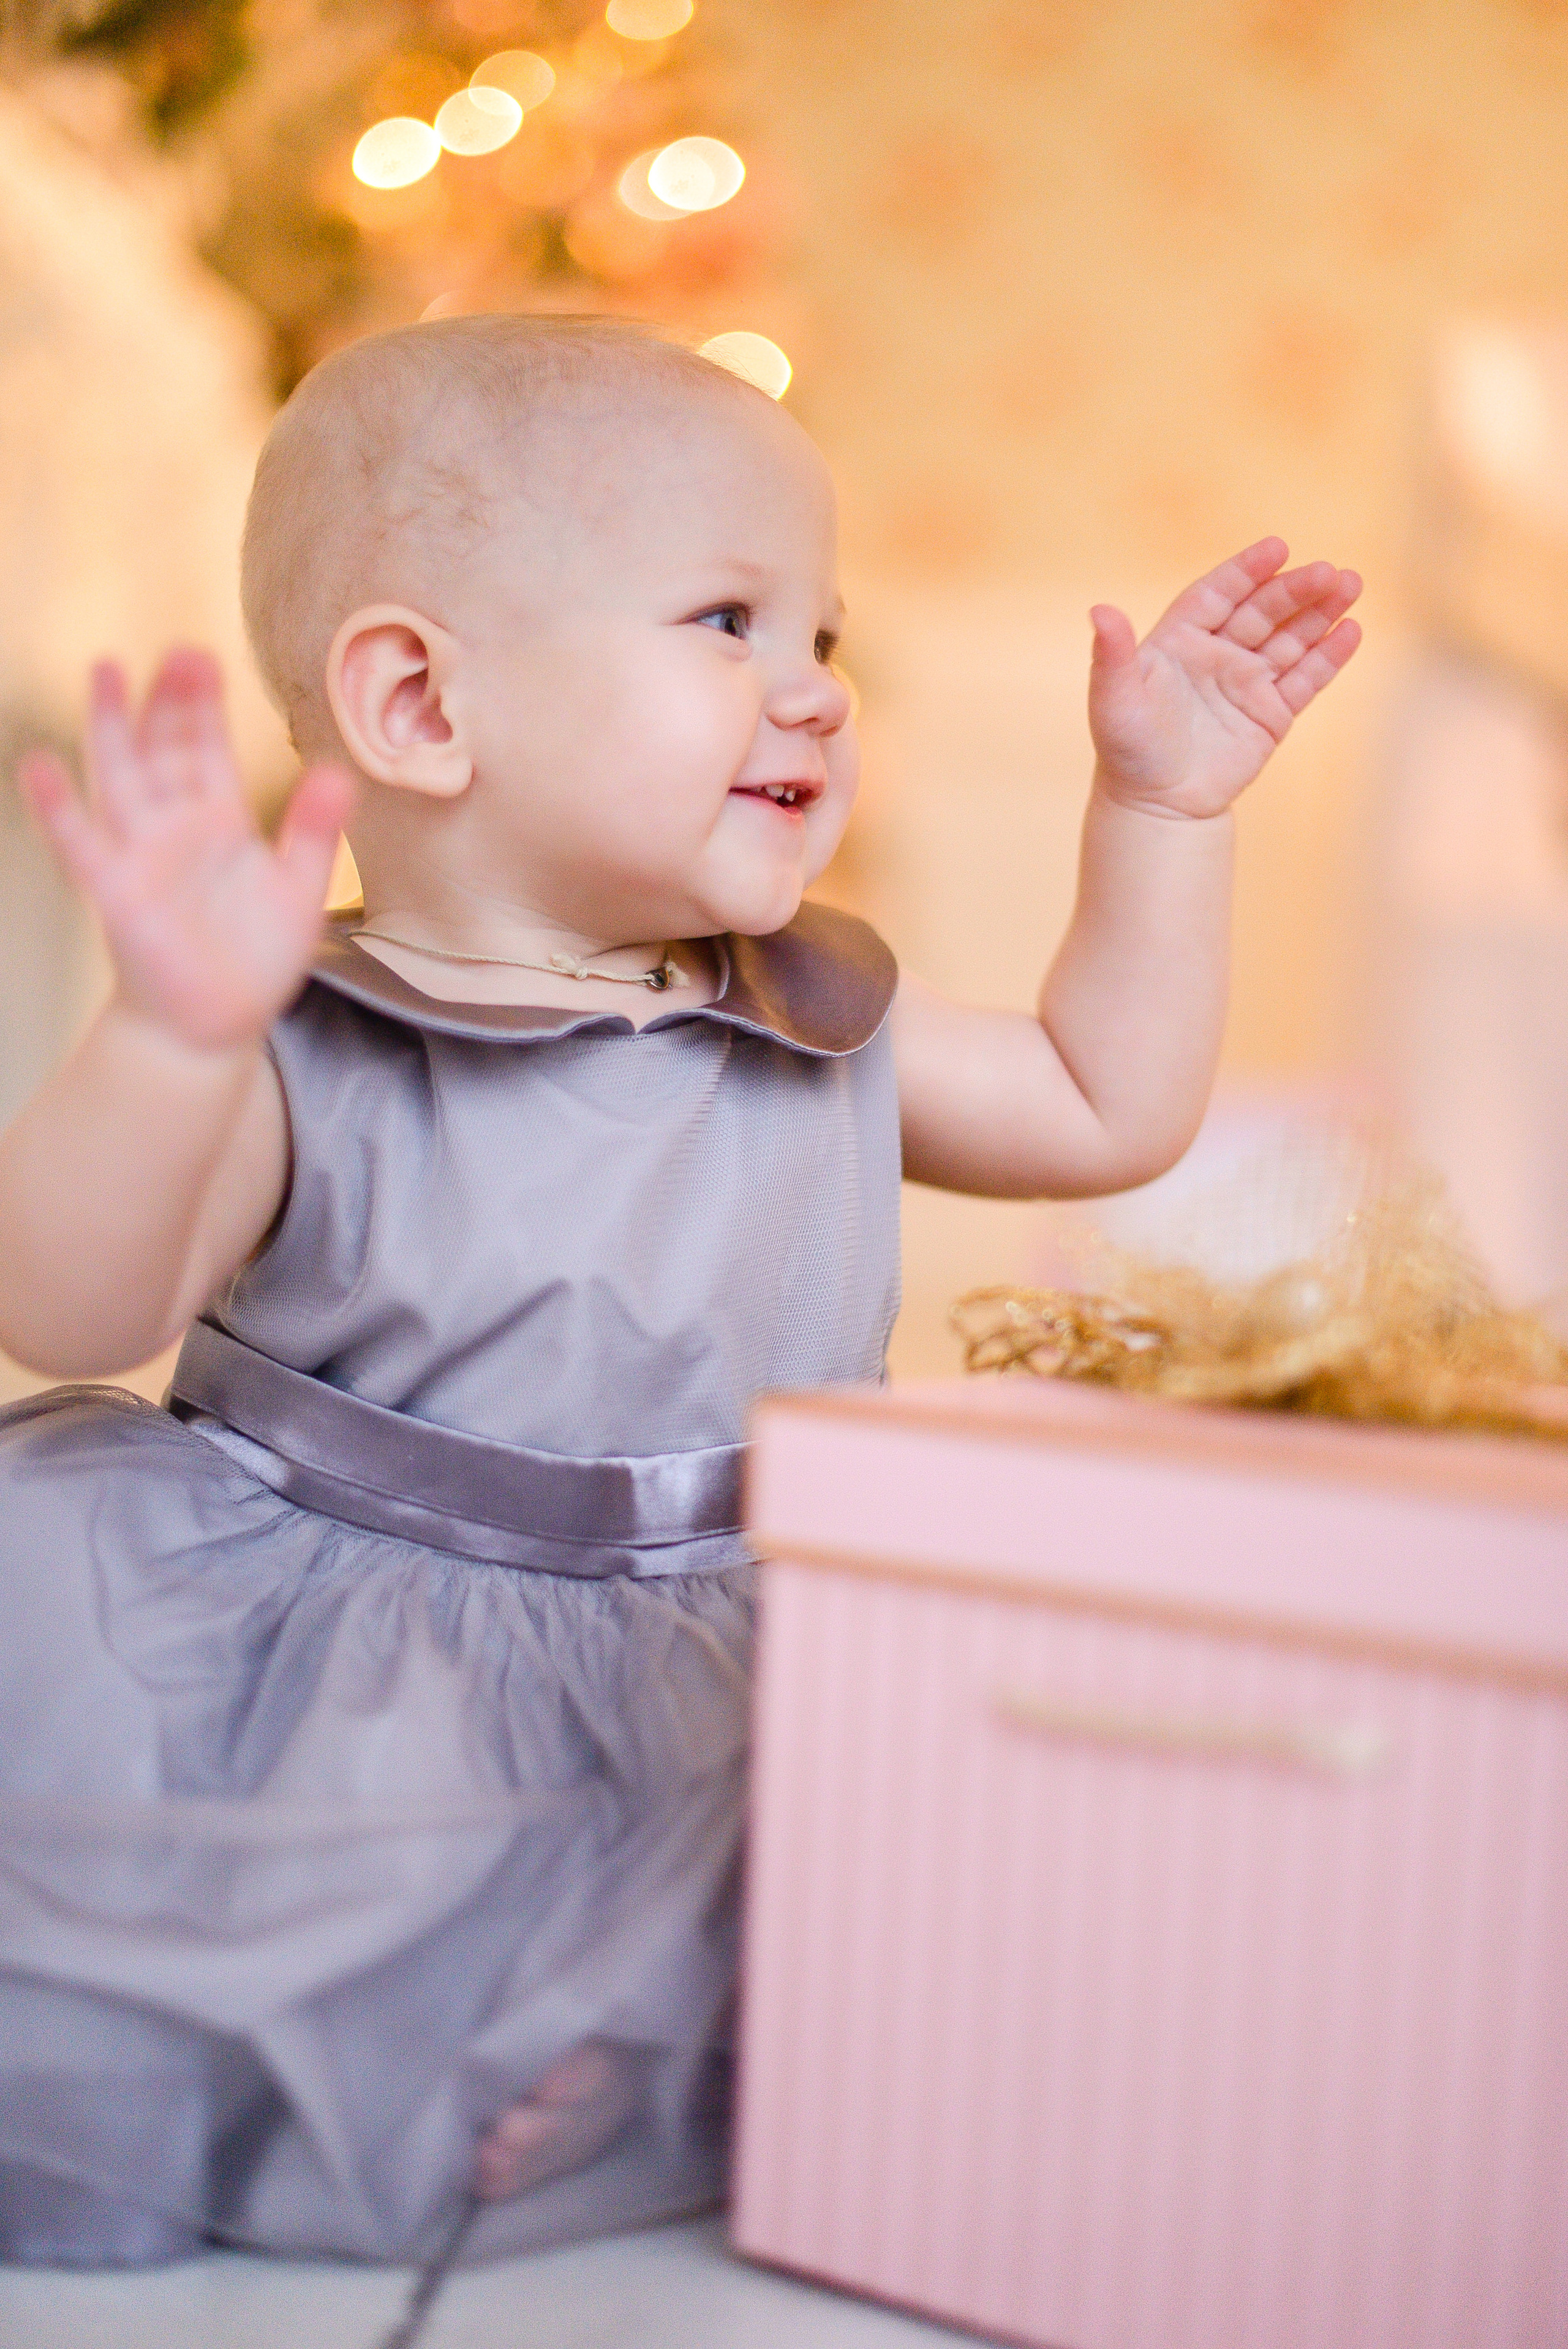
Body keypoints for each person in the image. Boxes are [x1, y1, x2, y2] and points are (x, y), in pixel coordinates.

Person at [0, 315, 1361, 2269]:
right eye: (729, 622)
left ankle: (624, 2066)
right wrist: (167, 1040)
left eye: (828, 638)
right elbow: (69, 1300)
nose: (812, 695)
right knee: (324, 1942)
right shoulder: (319, 1043)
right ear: (419, 703)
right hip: (371, 1667)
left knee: (899, 1911)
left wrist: (1163, 817)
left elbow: (1103, 1099)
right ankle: (447, 2062)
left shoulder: (818, 1020)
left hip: (722, 1658)